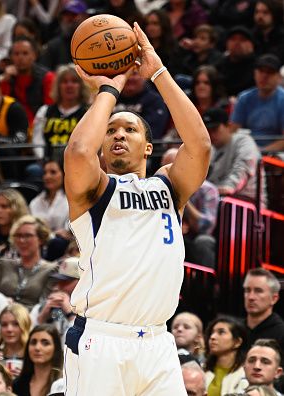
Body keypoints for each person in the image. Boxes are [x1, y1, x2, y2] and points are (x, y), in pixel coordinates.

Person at [62, 21, 211, 395]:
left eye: (129, 130)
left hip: (158, 343)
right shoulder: (95, 189)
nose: (118, 135)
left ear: (148, 146)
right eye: (111, 130)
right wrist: (109, 89)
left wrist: (157, 71)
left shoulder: (169, 185)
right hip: (101, 338)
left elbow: (201, 145)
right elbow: (79, 151)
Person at [161, 148, 218, 268]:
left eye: (170, 167)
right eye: (164, 167)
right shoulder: (157, 188)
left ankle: (204, 285)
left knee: (204, 242)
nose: (166, 172)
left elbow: (205, 226)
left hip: (195, 236)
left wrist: (185, 198)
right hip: (171, 233)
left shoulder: (208, 189)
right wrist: (174, 228)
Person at [0, 215, 57, 309]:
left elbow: (44, 307)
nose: (22, 240)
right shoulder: (2, 265)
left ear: (41, 239)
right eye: (18, 236)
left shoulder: (52, 270)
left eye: (28, 236)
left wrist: (11, 307)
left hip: (32, 321)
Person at [202, 107, 266, 206]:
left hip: (248, 203)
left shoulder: (244, 141)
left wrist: (227, 186)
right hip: (219, 200)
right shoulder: (210, 149)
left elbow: (243, 169)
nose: (211, 134)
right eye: (208, 130)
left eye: (215, 129)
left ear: (228, 126)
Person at [32, 64, 90, 160]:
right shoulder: (44, 111)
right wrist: (44, 159)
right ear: (58, 86)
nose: (69, 85)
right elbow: (37, 140)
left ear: (82, 86)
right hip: (48, 162)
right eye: (64, 82)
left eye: (74, 81)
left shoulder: (89, 112)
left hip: (79, 161)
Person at [230, 54, 284, 152]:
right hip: (246, 149)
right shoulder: (244, 98)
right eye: (261, 71)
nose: (264, 76)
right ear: (255, 73)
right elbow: (233, 131)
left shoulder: (282, 99)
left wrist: (260, 152)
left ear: (278, 76)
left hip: (276, 154)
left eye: (270, 72)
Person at [0, 36, 55, 126]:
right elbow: (1, 108)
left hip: (39, 126)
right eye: (16, 54)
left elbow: (50, 109)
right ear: (11, 57)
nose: (20, 58)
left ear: (34, 55)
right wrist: (5, 81)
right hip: (13, 127)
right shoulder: (7, 77)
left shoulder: (47, 77)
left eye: (25, 53)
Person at [30, 256, 79, 338]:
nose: (59, 286)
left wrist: (71, 315)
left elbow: (74, 345)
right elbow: (26, 339)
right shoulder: (43, 306)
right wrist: (42, 317)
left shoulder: (90, 310)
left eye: (66, 281)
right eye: (59, 280)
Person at [12, 324, 62, 396]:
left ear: (56, 348)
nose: (37, 348)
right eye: (33, 342)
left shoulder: (63, 384)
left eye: (45, 343)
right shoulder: (17, 385)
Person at [39, 2, 88, 72]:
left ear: (85, 17)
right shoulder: (53, 46)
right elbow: (43, 73)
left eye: (74, 14)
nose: (69, 19)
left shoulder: (94, 43)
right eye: (66, 15)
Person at [243, 268, 284, 351]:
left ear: (274, 299)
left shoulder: (281, 334)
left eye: (258, 291)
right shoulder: (235, 330)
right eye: (247, 290)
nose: (251, 297)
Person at [28, 159, 69, 233]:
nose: (47, 176)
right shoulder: (35, 202)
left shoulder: (71, 201)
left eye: (53, 172)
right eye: (44, 173)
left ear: (64, 173)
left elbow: (67, 232)